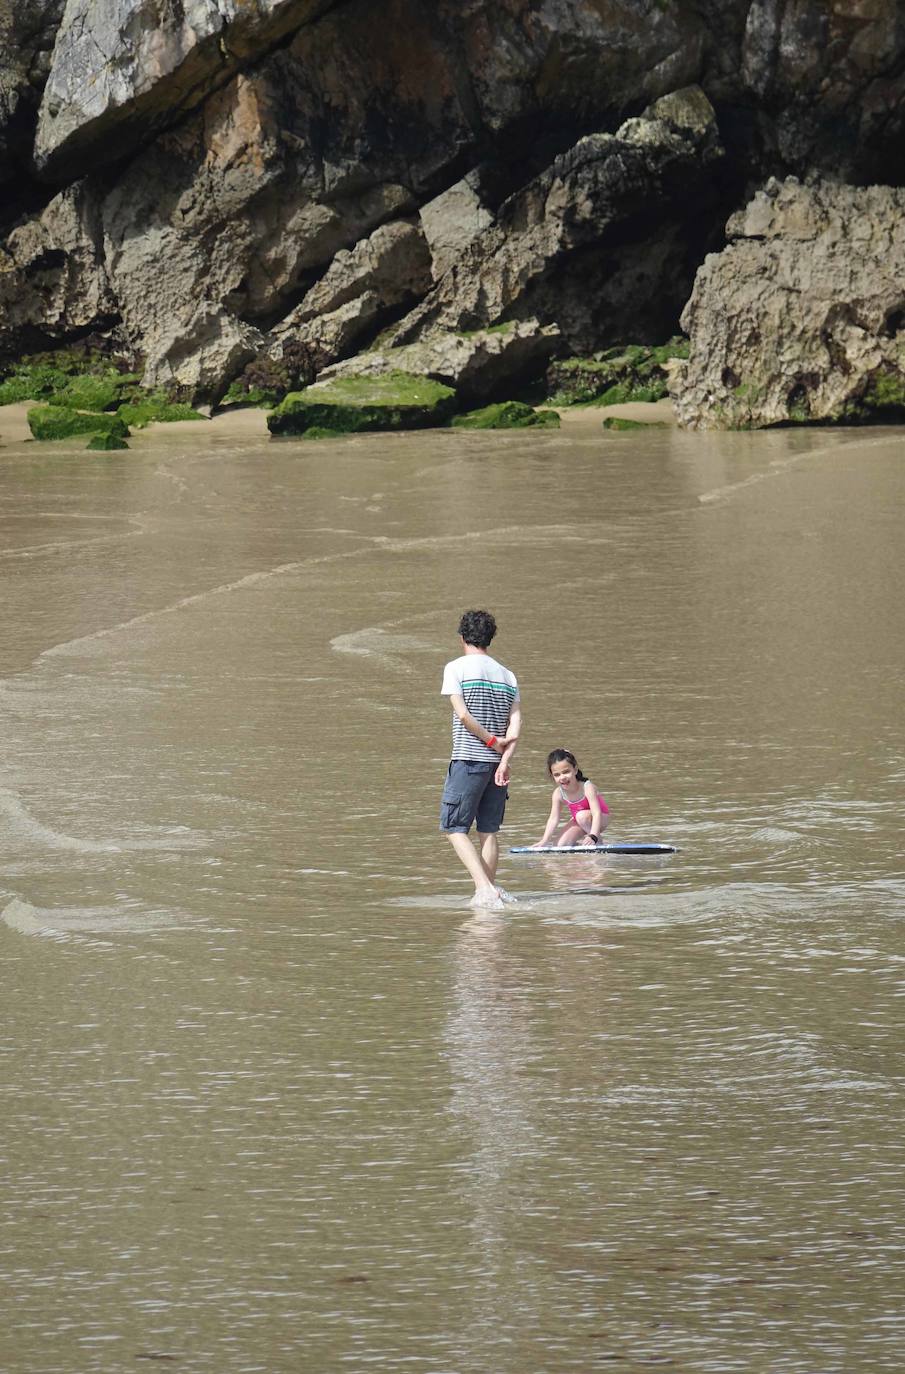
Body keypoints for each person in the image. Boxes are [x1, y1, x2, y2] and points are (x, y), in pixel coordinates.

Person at [440, 610, 522, 907]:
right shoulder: (507, 675)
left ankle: (484, 888)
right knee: (488, 830)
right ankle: (488, 891)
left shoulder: (455, 668)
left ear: (462, 637)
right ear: (490, 638)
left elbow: (463, 715)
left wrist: (489, 741)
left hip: (468, 760)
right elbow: (515, 724)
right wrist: (504, 759)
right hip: (497, 766)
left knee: (453, 827)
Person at [530, 748, 610, 849]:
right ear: (552, 776)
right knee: (560, 845)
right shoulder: (558, 794)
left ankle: (597, 841)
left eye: (566, 772)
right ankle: (583, 845)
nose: (562, 777)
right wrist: (544, 841)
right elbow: (553, 819)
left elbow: (596, 813)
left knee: (581, 817)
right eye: (557, 775)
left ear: (575, 769)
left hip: (601, 818)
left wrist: (593, 836)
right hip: (580, 820)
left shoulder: (587, 787)